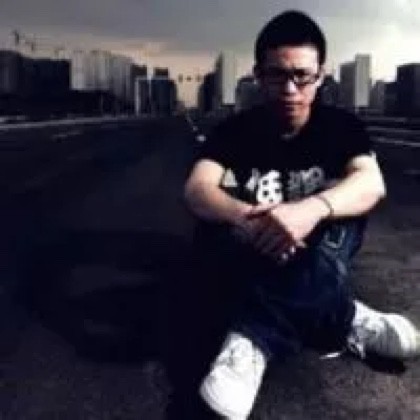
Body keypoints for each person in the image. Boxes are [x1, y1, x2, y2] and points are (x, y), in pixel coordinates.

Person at [184, 10, 420, 419]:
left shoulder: (341, 127)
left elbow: (371, 183)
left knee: (346, 211)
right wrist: (247, 217)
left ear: (320, 76)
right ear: (259, 76)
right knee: (213, 230)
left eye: (302, 76)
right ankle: (345, 318)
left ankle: (252, 338)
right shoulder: (234, 130)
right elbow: (198, 189)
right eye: (277, 76)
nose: (290, 89)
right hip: (258, 243)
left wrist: (309, 210)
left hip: (320, 245)